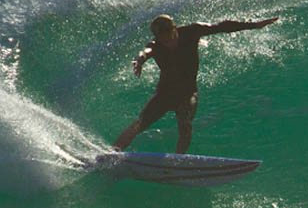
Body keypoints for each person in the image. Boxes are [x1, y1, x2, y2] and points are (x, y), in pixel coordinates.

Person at [113, 13, 279, 153]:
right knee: (139, 123)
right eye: (160, 39)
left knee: (185, 125)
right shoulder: (156, 46)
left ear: (174, 29)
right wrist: (139, 60)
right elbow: (145, 52)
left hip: (188, 93)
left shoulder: (191, 32)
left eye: (167, 37)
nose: (166, 42)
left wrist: (254, 25)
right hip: (164, 94)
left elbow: (222, 26)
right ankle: (113, 152)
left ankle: (178, 161)